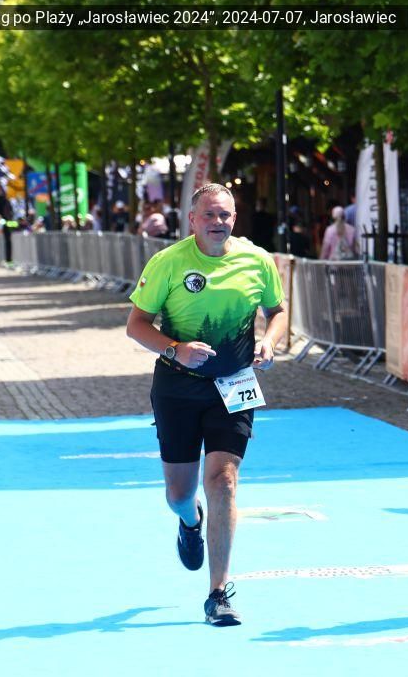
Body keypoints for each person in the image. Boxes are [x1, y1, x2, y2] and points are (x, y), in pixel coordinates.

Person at [125, 183, 287, 627]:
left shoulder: (257, 260)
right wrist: (175, 348)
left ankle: (218, 592)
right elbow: (136, 325)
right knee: (179, 494)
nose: (219, 222)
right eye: (210, 215)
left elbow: (277, 311)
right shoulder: (169, 262)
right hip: (178, 387)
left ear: (235, 219)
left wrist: (270, 342)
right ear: (192, 219)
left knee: (224, 481)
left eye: (226, 215)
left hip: (233, 385)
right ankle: (189, 520)